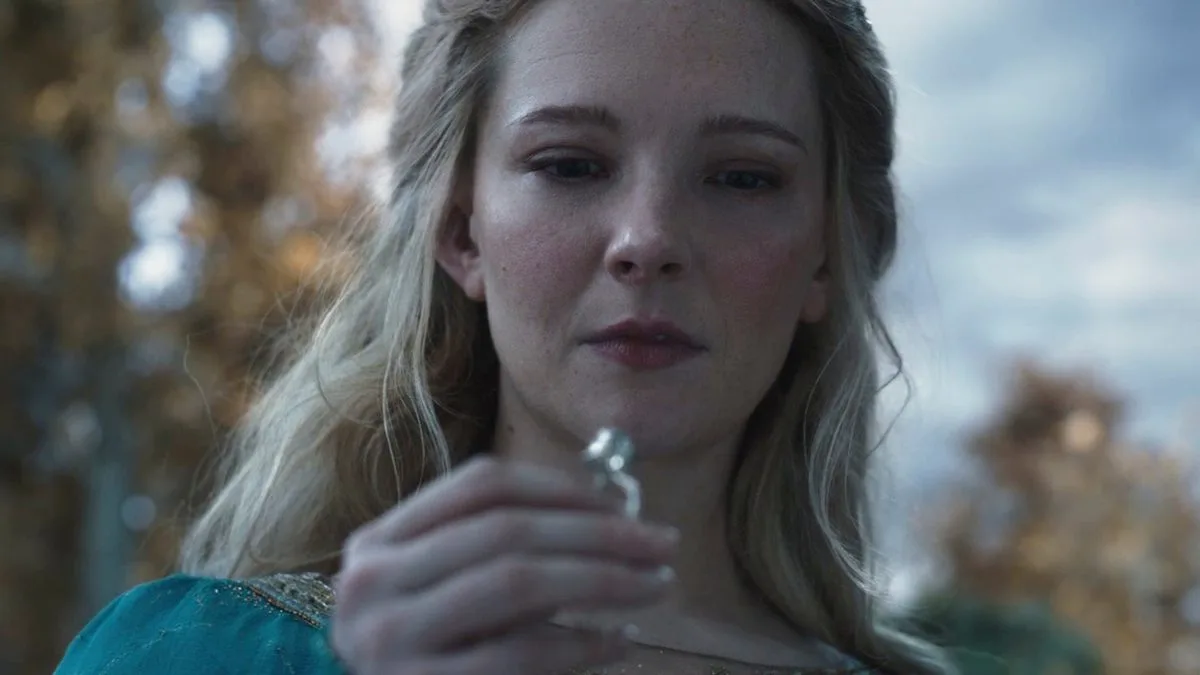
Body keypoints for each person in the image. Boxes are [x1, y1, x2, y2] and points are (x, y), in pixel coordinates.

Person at [54, 0, 954, 673]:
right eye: (570, 164)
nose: (647, 239)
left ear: (826, 257)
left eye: (743, 178)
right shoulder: (195, 651)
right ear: (461, 232)